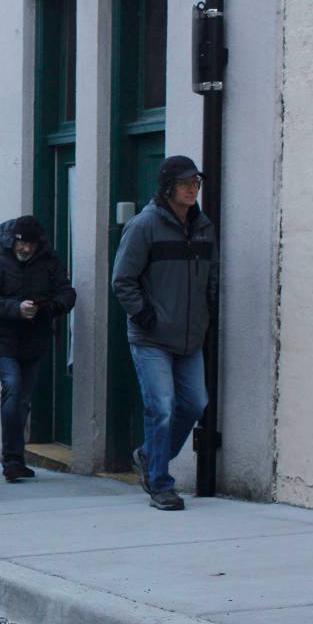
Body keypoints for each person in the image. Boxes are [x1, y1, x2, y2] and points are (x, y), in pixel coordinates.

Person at [112, 155, 217, 511]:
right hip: (152, 337)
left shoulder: (203, 226)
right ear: (168, 186)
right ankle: (160, 483)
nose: (193, 189)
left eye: (196, 183)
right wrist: (146, 317)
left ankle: (148, 455)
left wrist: (208, 313)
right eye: (186, 183)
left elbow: (211, 276)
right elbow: (122, 280)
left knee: (196, 403)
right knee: (161, 407)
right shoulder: (144, 226)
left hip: (190, 337)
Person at [0, 215, 77, 482]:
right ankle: (11, 459)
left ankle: (16, 457)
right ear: (13, 239)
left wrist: (49, 308)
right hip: (1, 338)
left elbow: (66, 293)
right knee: (12, 387)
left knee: (23, 398)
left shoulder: (49, 260)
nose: (25, 249)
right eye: (22, 243)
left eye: (31, 245)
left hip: (34, 339)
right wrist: (16, 308)